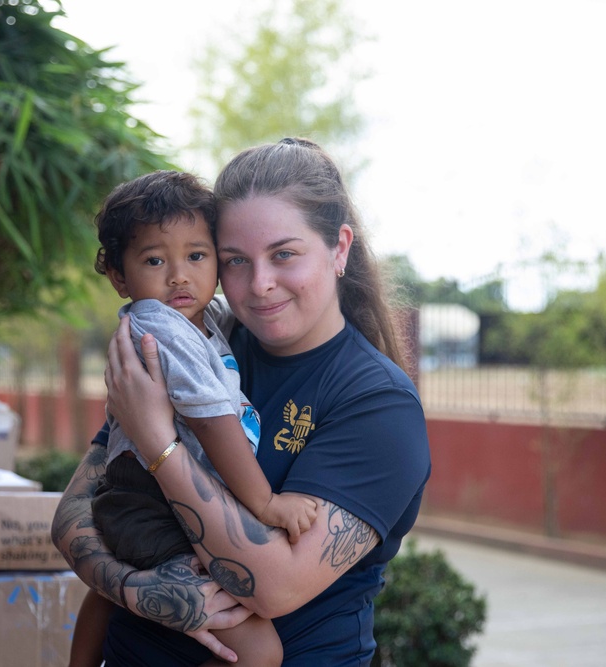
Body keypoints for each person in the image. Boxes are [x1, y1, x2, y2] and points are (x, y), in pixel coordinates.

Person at [53, 138, 432, 666]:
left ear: (339, 248)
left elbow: (273, 588)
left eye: (284, 254)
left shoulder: (377, 404)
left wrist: (161, 445)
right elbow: (73, 517)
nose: (259, 285)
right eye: (235, 260)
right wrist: (132, 589)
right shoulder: (199, 343)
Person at [67, 170, 318, 667]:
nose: (179, 275)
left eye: (197, 256)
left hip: (135, 496)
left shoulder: (195, 319)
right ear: (119, 276)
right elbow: (210, 422)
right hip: (151, 500)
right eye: (155, 260)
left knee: (109, 589)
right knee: (260, 651)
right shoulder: (162, 326)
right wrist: (266, 504)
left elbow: (231, 309)